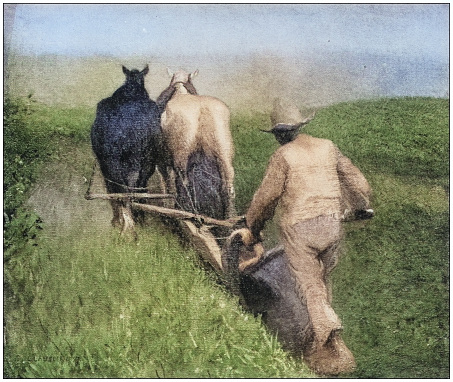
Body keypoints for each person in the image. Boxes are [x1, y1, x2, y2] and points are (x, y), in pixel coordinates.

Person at [245, 98, 373, 375]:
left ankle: (330, 349)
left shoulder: (283, 156)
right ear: (300, 125)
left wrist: (252, 227)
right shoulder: (328, 147)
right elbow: (358, 182)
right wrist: (360, 207)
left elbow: (265, 199)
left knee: (311, 290)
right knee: (323, 280)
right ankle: (322, 339)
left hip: (300, 229)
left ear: (279, 133)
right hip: (331, 224)